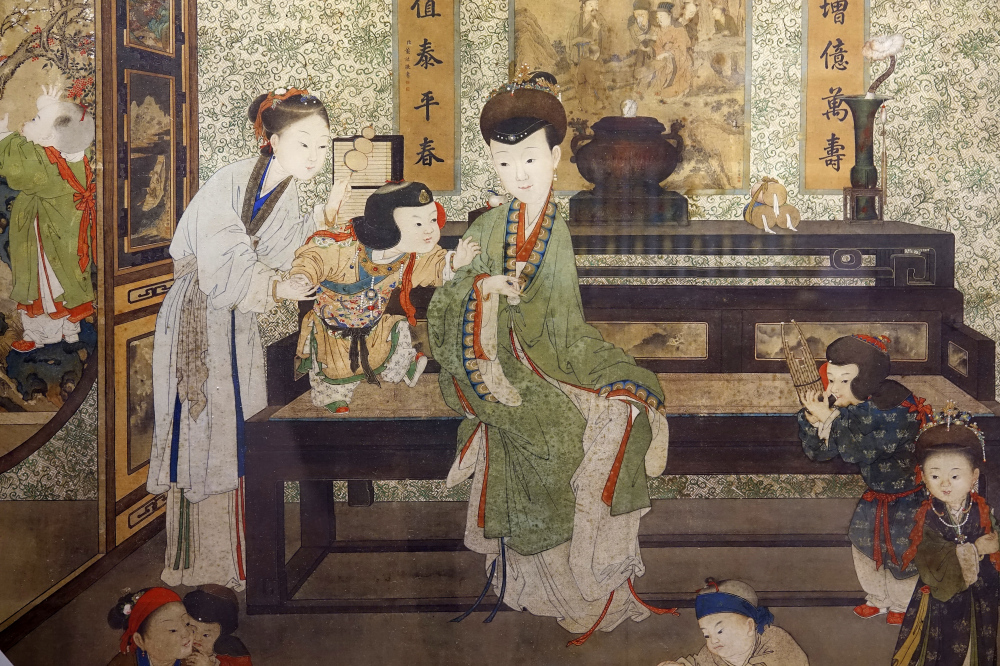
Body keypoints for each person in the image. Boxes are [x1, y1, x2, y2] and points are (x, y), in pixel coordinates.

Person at [427, 72, 671, 642]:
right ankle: (547, 586)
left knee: (621, 410)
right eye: (504, 161)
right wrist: (482, 288)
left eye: (530, 159)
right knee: (550, 434)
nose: (519, 173)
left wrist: (582, 367)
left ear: (556, 157)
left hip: (552, 356)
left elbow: (565, 320)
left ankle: (595, 577)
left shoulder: (555, 226)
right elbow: (446, 301)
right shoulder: (488, 225)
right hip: (487, 361)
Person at [146, 87, 349, 590]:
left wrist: (321, 218)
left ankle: (235, 559)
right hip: (199, 313)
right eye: (304, 143)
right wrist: (277, 286)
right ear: (273, 141)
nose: (315, 156)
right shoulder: (231, 180)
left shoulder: (286, 190)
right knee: (205, 429)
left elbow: (280, 252)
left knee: (238, 425)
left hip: (235, 321)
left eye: (322, 145)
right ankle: (198, 562)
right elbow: (222, 266)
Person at [289, 180, 479, 413]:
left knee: (390, 339)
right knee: (335, 366)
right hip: (333, 325)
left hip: (373, 323)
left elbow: (434, 264)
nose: (430, 229)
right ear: (386, 226)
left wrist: (455, 262)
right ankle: (334, 396)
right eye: (418, 223)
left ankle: (402, 366)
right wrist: (302, 277)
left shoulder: (411, 256)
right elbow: (315, 256)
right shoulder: (346, 246)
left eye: (432, 220)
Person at [797, 334, 931, 625]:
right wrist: (813, 420)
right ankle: (878, 598)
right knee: (864, 546)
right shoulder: (855, 406)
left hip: (908, 499)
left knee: (904, 551)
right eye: (831, 379)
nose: (833, 388)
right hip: (875, 495)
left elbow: (859, 451)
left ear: (866, 379)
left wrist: (830, 419)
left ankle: (903, 604)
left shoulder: (896, 408)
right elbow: (821, 453)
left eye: (844, 380)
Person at [892, 404, 1000, 666]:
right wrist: (975, 549)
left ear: (974, 476)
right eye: (935, 475)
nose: (945, 484)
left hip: (980, 596)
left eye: (955, 475)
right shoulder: (927, 515)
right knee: (940, 649)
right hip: (940, 598)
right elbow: (929, 558)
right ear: (923, 477)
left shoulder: (982, 510)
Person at [0, 84, 96, 352]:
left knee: (45, 283)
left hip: (46, 240)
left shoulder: (47, 164)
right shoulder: (75, 156)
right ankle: (70, 330)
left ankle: (40, 336)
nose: (27, 122)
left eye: (35, 119)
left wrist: (3, 133)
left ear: (49, 136)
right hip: (65, 235)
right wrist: (48, 107)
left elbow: (18, 164)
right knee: (68, 279)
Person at [657, 579, 809, 666]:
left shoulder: (776, 640)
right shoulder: (713, 654)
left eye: (720, 631)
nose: (713, 640)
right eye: (706, 635)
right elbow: (696, 662)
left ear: (749, 626)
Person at [107, 587, 193, 666]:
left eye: (187, 624)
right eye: (173, 630)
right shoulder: (123, 663)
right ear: (139, 641)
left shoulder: (195, 660)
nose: (186, 633)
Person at [182, 585, 252, 666]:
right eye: (192, 631)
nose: (197, 638)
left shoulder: (232, 657)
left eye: (206, 635)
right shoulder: (178, 652)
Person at [651, 3, 693, 98]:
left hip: (680, 59)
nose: (659, 19)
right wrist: (660, 54)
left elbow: (680, 47)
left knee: (668, 92)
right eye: (657, 17)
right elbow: (657, 46)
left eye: (661, 16)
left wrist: (667, 54)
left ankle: (681, 87)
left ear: (669, 15)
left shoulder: (679, 28)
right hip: (666, 60)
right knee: (656, 87)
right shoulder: (661, 29)